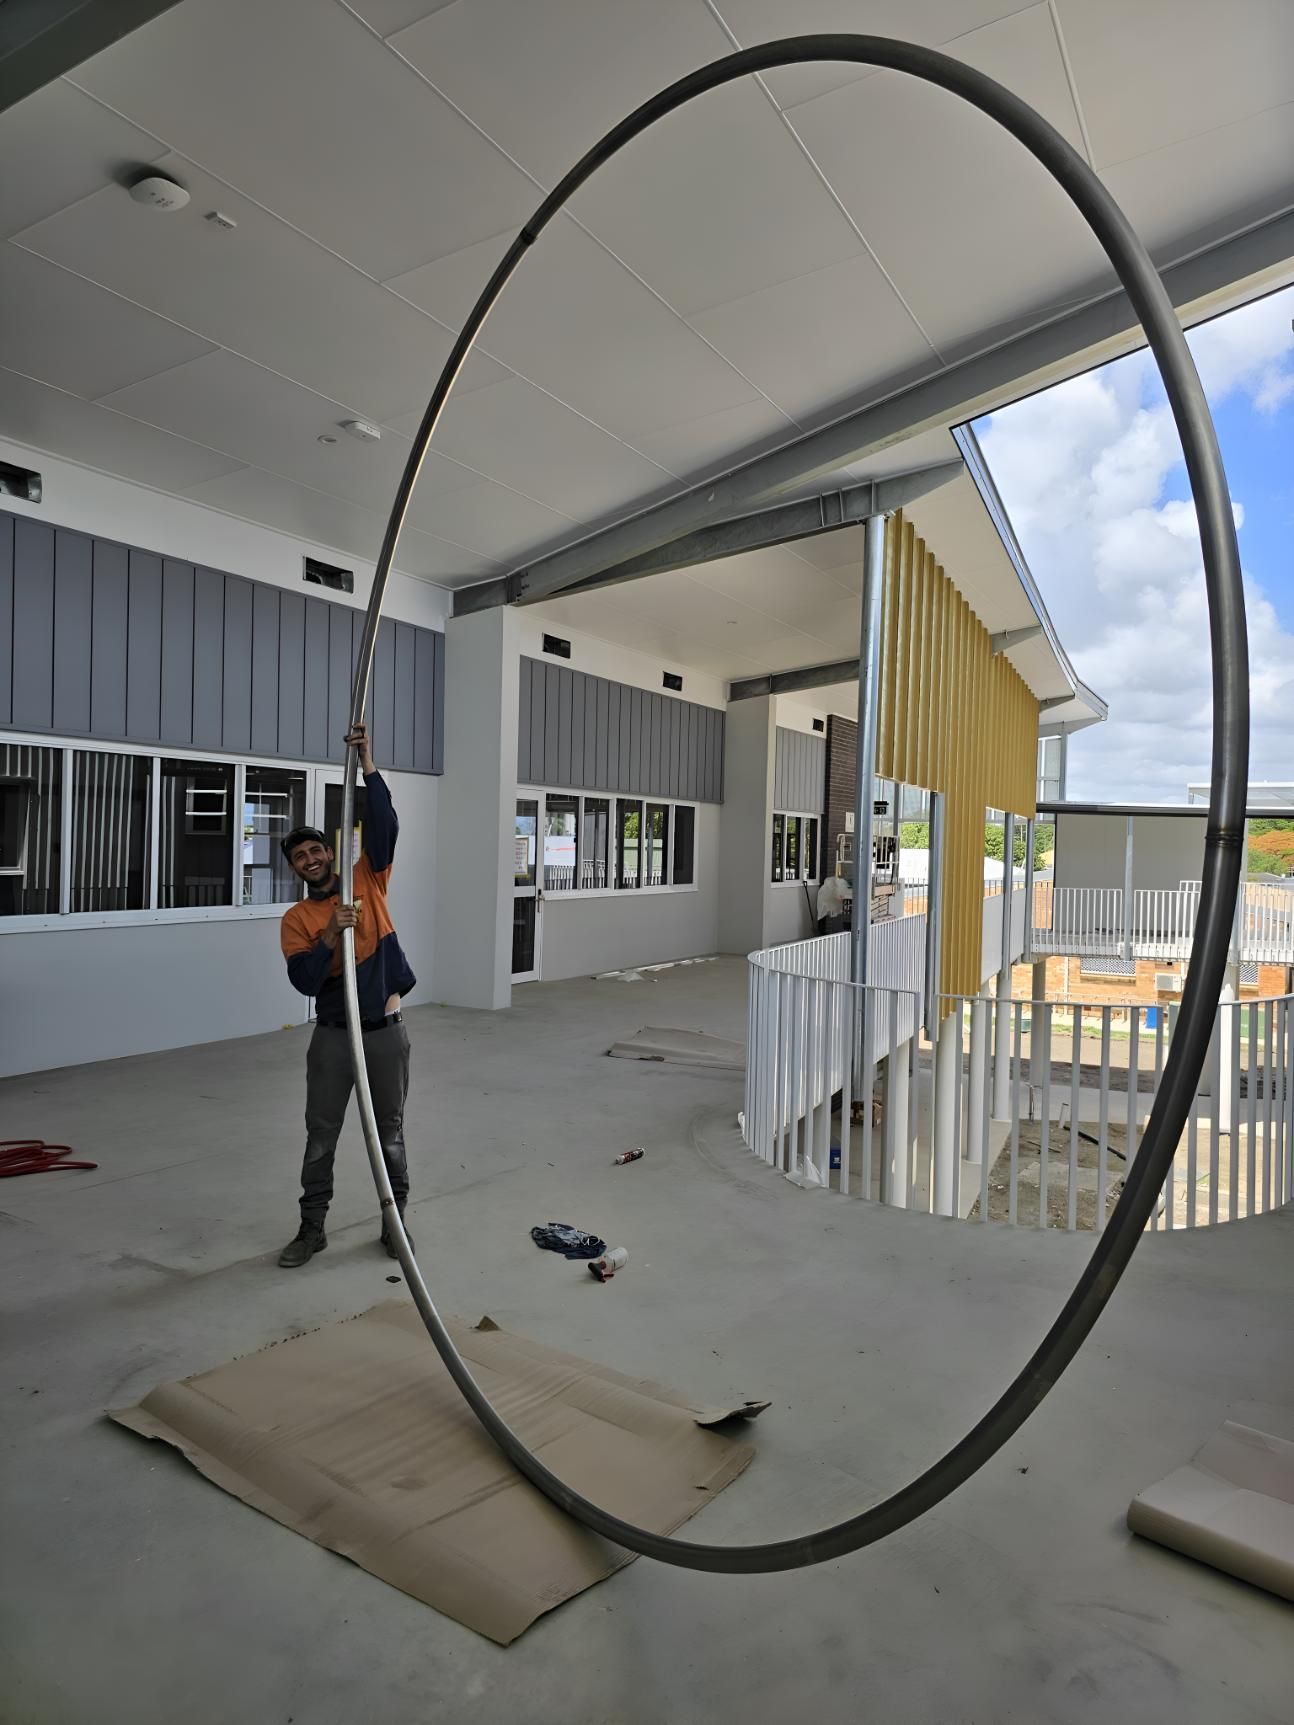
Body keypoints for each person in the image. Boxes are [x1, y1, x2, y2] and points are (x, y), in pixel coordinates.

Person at [276, 724, 416, 1268]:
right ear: (294, 870)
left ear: (330, 853)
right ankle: (312, 1228)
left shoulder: (367, 879)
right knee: (321, 1136)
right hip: (333, 1038)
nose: (310, 859)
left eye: (315, 850)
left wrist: (367, 763)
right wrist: (332, 933)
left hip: (384, 1034)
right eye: (300, 857)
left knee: (391, 1135)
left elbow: (384, 823)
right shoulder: (297, 919)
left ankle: (395, 1226)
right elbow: (304, 983)